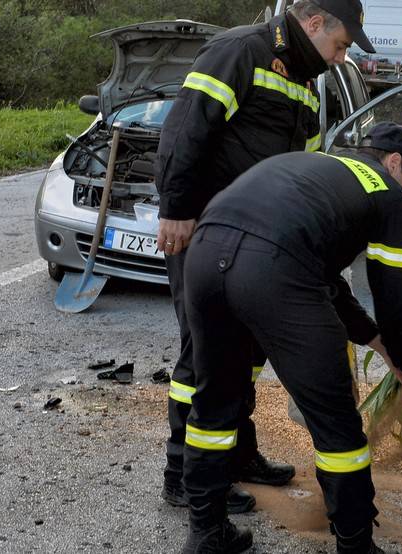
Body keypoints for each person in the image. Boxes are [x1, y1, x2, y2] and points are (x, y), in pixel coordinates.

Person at [154, 0, 377, 514]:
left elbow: (304, 169)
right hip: (206, 231)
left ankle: (236, 454)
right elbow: (187, 130)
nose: (341, 58)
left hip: (257, 247)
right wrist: (177, 210)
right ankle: (183, 474)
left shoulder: (303, 81)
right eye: (341, 45)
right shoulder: (239, 51)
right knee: (205, 356)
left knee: (246, 353)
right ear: (314, 21)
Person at [179, 123, 402, 553]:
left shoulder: (319, 167)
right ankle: (356, 545)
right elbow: (392, 295)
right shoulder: (389, 196)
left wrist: (381, 346)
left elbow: (328, 284)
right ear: (395, 163)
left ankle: (206, 532)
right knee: (336, 424)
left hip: (206, 253)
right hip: (274, 269)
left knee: (213, 404)